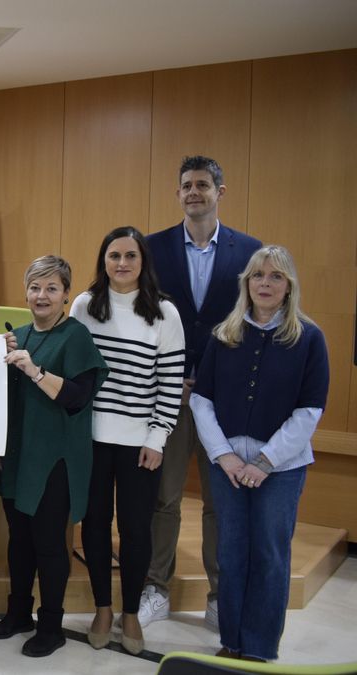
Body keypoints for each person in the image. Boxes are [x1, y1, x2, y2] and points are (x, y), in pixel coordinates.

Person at [190, 246, 328, 662]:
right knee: (230, 552)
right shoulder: (224, 335)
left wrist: (266, 462)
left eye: (275, 277)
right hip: (228, 466)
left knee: (269, 554)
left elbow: (310, 410)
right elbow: (201, 400)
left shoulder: (309, 338)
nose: (265, 283)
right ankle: (232, 641)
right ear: (246, 283)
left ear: (289, 286)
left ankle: (261, 648)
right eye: (257, 276)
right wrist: (225, 456)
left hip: (281, 469)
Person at [143, 156, 262, 629]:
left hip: (223, 401)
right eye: (187, 185)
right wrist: (172, 376)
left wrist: (212, 380)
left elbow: (255, 325)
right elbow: (145, 319)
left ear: (220, 192)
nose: (194, 192)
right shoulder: (151, 249)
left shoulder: (249, 252)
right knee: (164, 498)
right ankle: (155, 588)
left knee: (220, 504)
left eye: (203, 185)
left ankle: (220, 595)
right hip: (167, 395)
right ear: (178, 193)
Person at [69, 227, 185, 654]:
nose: (121, 263)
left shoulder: (164, 313)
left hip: (140, 444)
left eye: (130, 255)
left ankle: (131, 611)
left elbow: (170, 382)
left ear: (143, 261)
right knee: (94, 525)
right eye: (114, 255)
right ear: (103, 260)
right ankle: (103, 607)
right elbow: (75, 369)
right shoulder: (85, 305)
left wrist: (158, 437)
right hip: (91, 440)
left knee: (136, 530)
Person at [0, 255, 108, 657]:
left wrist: (35, 371)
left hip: (55, 458)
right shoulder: (16, 336)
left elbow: (78, 397)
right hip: (17, 455)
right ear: (25, 293)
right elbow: (1, 399)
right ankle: (18, 613)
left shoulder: (76, 336)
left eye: (52, 288)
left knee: (49, 544)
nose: (42, 295)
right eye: (35, 287)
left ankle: (51, 625)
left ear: (66, 295)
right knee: (19, 541)